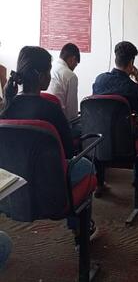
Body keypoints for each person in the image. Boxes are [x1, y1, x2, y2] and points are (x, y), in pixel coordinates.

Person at [0, 46, 97, 241]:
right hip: (50, 188)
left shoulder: (6, 109)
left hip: (14, 186)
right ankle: (79, 229)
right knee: (88, 166)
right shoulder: (51, 109)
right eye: (48, 71)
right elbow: (68, 152)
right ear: (40, 75)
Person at [93, 41, 138, 118]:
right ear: (131, 62)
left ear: (116, 59)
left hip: (98, 125)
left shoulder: (99, 79)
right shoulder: (133, 87)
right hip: (122, 126)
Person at [47, 43, 80, 121]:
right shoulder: (70, 76)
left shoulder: (50, 68)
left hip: (44, 118)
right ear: (73, 59)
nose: (74, 68)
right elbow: (72, 113)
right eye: (76, 64)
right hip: (60, 122)